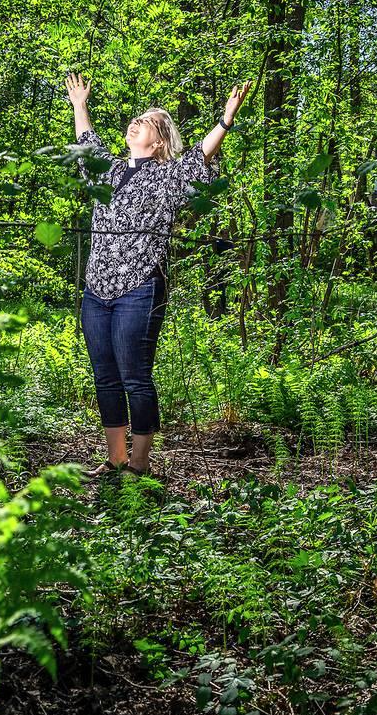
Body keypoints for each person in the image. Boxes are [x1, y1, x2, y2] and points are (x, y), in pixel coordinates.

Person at [64, 72, 252, 478]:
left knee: (134, 376)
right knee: (106, 376)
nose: (137, 122)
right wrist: (80, 104)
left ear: (160, 139)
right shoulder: (109, 172)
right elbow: (87, 146)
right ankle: (115, 460)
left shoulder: (167, 176)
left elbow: (200, 157)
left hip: (140, 286)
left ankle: (140, 462)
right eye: (137, 119)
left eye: (147, 121)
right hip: (97, 289)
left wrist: (226, 120)